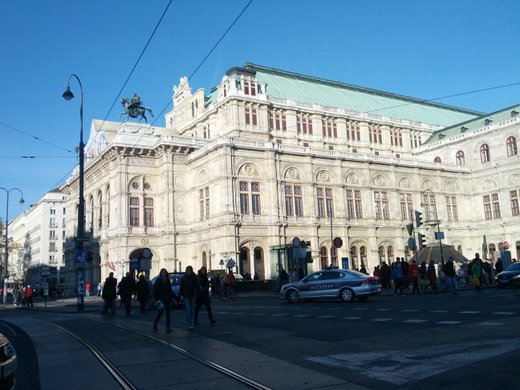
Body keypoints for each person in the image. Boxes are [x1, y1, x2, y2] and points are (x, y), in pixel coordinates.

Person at [179, 265, 198, 330]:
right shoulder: (184, 278)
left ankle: (191, 320)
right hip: (186, 295)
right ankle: (190, 323)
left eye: (190, 270)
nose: (189, 271)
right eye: (188, 270)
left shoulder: (194, 277)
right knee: (188, 310)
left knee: (192, 309)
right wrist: (180, 295)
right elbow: (181, 287)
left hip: (192, 295)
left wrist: (197, 293)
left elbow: (197, 286)